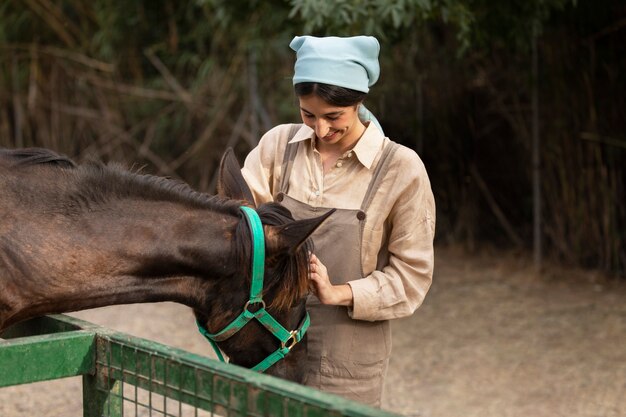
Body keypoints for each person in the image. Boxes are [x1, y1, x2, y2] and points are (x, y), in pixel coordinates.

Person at [241, 35, 435, 407]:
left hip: (348, 363)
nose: (320, 129)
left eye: (333, 117)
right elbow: (239, 227)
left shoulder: (399, 168)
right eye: (307, 114)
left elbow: (412, 277)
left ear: (358, 102)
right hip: (268, 348)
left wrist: (338, 292)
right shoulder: (277, 147)